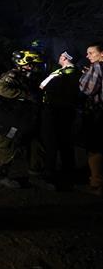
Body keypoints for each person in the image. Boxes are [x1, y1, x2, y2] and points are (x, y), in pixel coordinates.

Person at [0, 50, 44, 188]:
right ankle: (1, 175)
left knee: (34, 143)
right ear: (24, 64)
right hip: (10, 118)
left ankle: (35, 172)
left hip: (25, 117)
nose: (35, 67)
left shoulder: (28, 76)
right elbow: (0, 88)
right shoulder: (13, 75)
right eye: (32, 64)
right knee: (6, 144)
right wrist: (25, 95)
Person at [39, 51, 80, 188]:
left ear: (65, 58)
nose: (59, 57)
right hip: (69, 110)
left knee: (50, 143)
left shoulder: (59, 73)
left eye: (61, 55)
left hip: (53, 110)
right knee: (66, 143)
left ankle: (49, 175)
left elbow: (42, 86)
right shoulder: (78, 72)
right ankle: (69, 173)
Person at [78, 42, 103, 197]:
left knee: (96, 148)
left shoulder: (98, 66)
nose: (87, 56)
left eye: (91, 53)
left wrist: (85, 75)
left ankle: (97, 184)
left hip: (99, 113)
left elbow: (88, 89)